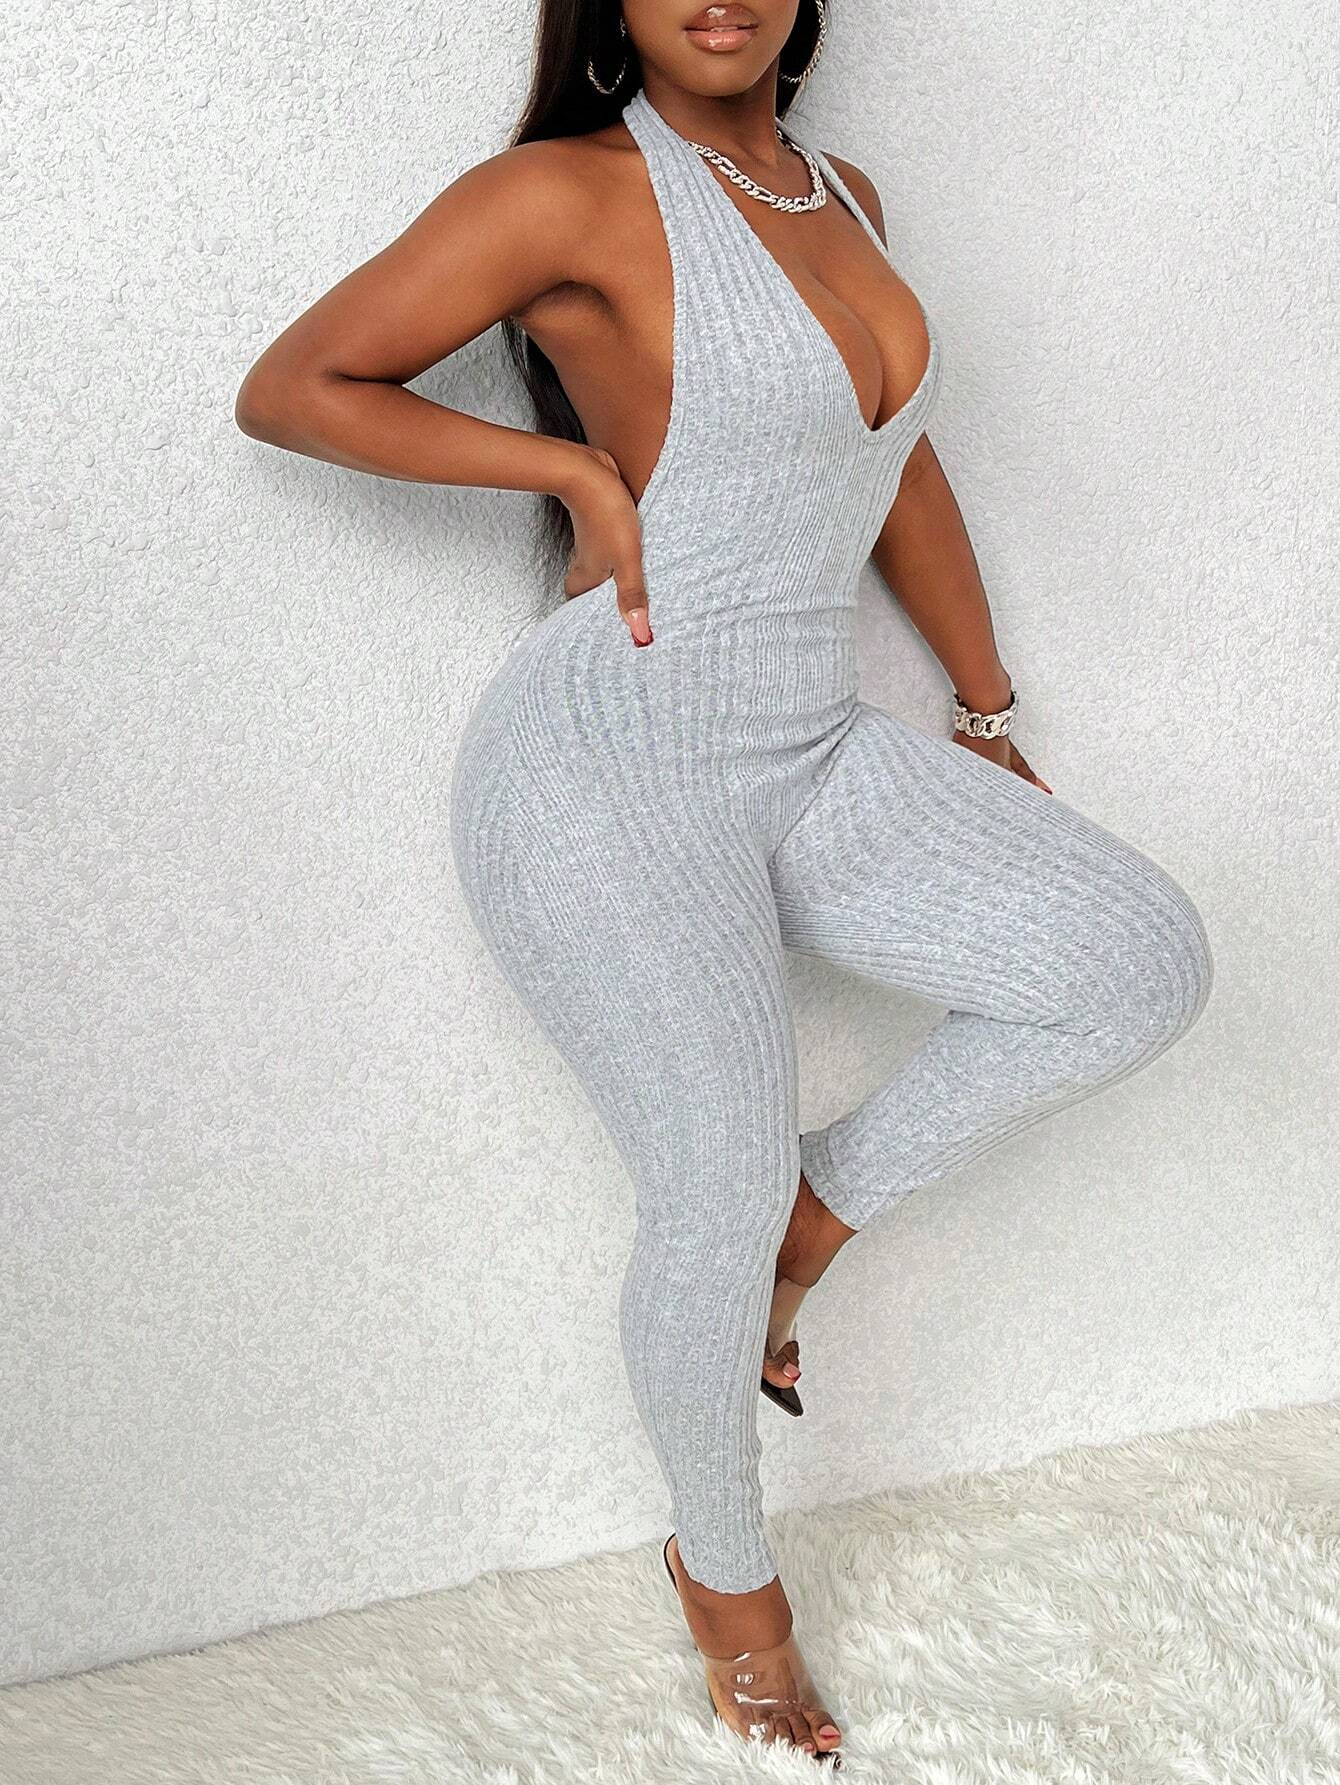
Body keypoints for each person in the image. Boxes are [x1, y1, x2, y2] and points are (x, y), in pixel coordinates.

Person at [234, 0, 1213, 1763]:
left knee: (1137, 957)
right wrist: (564, 471)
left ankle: (808, 1217)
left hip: (808, 739)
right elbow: (295, 386)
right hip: (610, 750)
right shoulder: (567, 192)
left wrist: (985, 707)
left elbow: (892, 468)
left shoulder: (850, 200)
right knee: (708, 1171)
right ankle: (731, 1581)